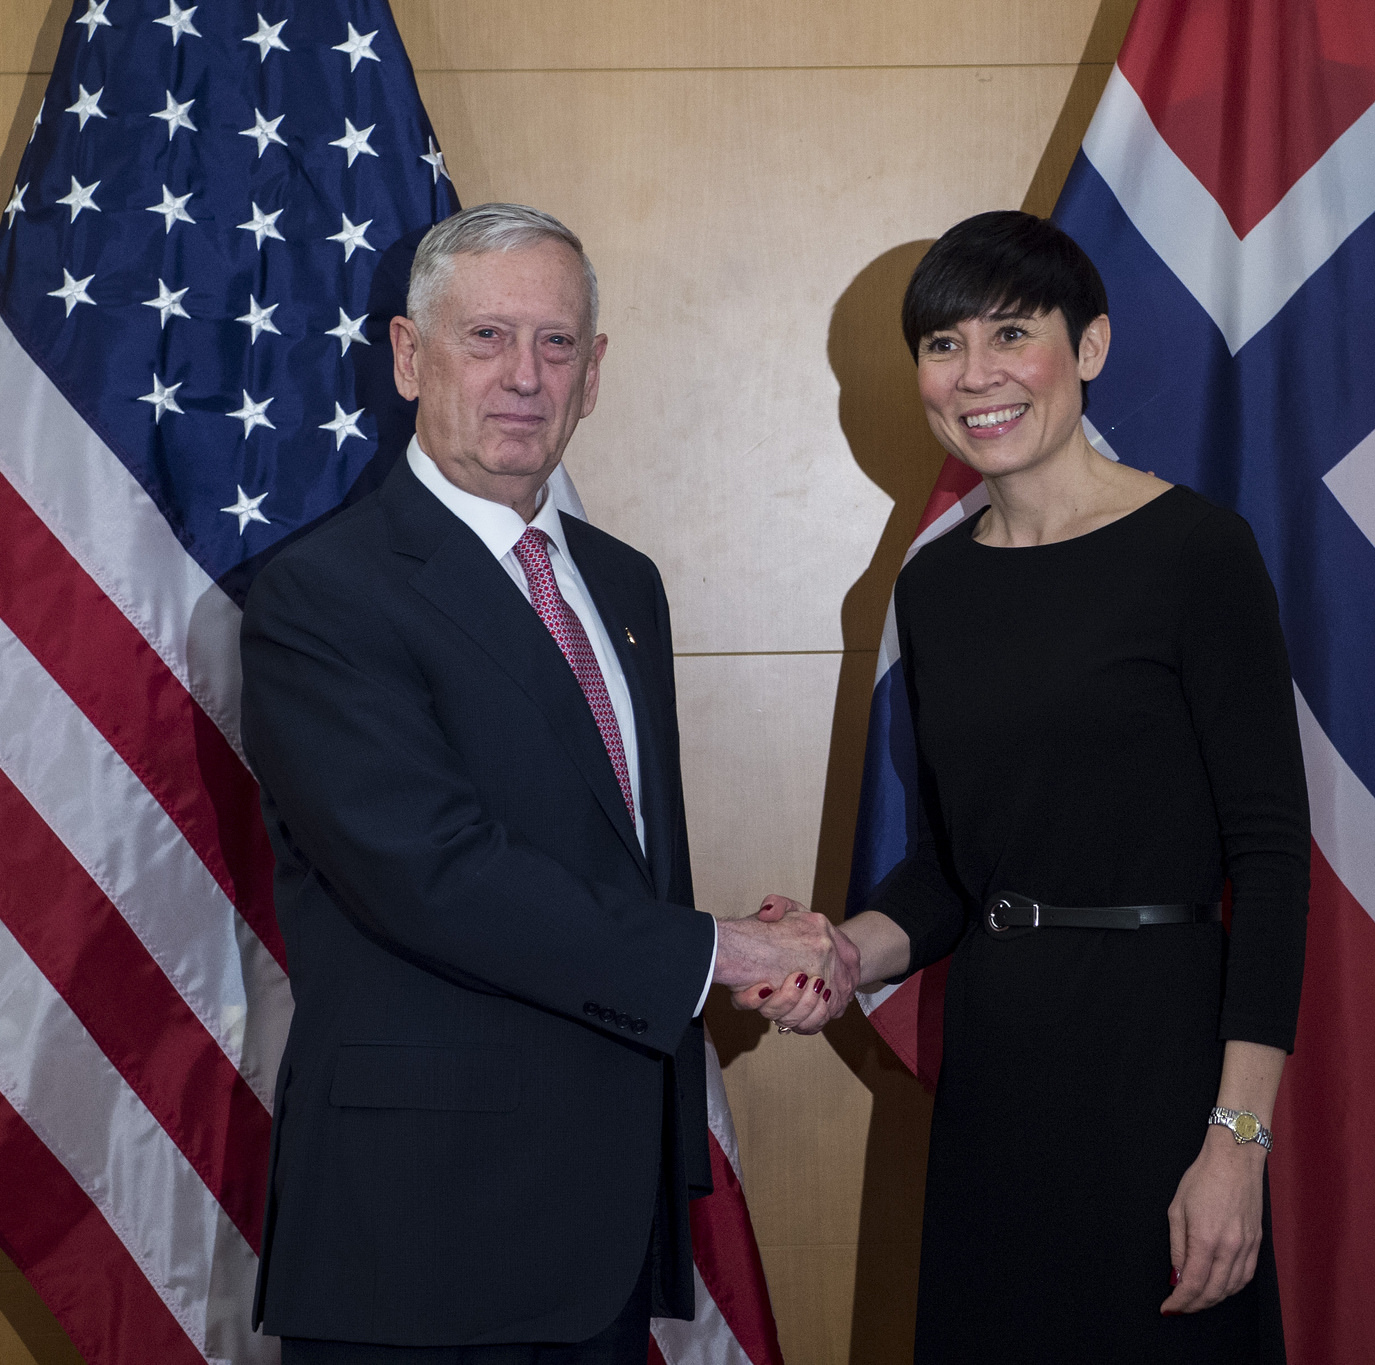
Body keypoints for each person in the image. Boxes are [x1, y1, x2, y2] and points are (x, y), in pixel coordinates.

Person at [240, 203, 854, 1364]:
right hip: (418, 1235)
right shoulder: (324, 593)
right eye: (486, 338)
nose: (525, 376)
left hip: (606, 1220)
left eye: (557, 343)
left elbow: (609, 860)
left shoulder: (622, 584)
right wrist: (718, 953)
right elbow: (432, 875)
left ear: (595, 371)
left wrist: (752, 952)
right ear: (410, 356)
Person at [745, 210, 1309, 1360]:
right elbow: (954, 866)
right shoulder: (935, 588)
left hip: (1161, 1064)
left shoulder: (1196, 552)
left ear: (1088, 348)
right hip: (1000, 1067)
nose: (976, 375)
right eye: (943, 345)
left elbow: (1272, 858)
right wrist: (842, 955)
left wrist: (1235, 1141)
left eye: (1012, 333)